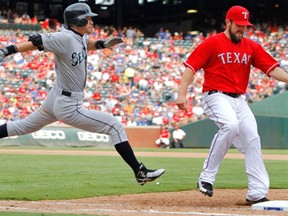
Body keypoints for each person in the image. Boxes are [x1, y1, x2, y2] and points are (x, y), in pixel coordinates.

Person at [0, 3, 165, 186]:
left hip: (57, 96)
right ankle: (140, 172)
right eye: (88, 18)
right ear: (77, 20)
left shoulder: (78, 37)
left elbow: (86, 44)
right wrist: (8, 50)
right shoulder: (64, 37)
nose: (92, 21)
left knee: (22, 126)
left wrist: (102, 44)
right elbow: (36, 42)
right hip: (68, 104)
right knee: (115, 126)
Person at [176, 5, 288, 204]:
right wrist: (181, 94)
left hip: (239, 99)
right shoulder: (212, 43)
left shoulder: (251, 46)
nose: (242, 29)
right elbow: (191, 68)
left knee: (253, 139)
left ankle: (256, 192)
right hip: (216, 96)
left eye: (245, 25)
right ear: (227, 22)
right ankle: (206, 178)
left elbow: (272, 69)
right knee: (231, 125)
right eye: (239, 25)